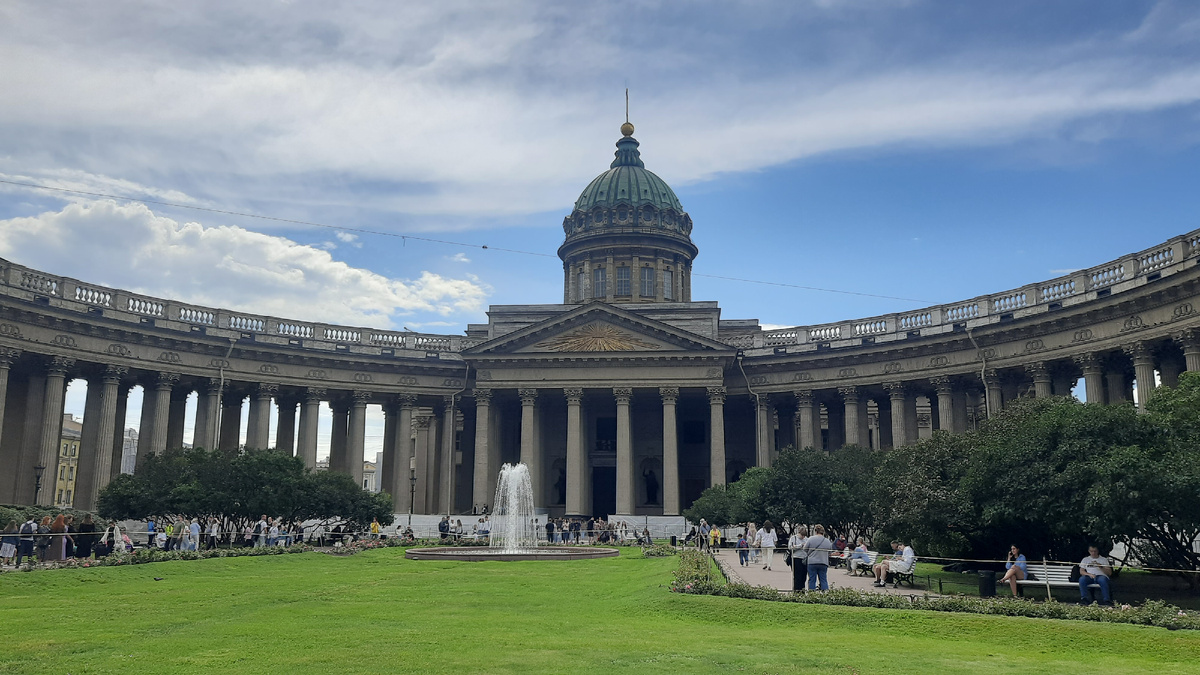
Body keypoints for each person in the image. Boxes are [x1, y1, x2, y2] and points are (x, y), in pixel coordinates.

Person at [804, 525, 835, 591]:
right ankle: (825, 594)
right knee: (823, 579)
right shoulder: (827, 541)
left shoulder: (811, 539)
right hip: (823, 562)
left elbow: (805, 549)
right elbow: (830, 552)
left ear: (815, 531)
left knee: (812, 579)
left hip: (812, 562)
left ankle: (812, 594)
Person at [788, 525, 809, 590]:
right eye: (802, 535)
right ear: (798, 533)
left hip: (804, 559)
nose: (803, 537)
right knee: (797, 576)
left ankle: (802, 590)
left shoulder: (807, 539)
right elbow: (790, 547)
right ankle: (796, 590)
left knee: (804, 576)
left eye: (804, 536)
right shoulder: (793, 538)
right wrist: (800, 546)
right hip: (796, 558)